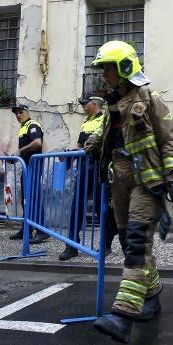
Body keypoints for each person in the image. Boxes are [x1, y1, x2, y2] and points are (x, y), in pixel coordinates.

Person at [89, 41, 173, 344]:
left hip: (147, 182)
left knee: (135, 243)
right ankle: (153, 296)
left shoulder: (150, 98)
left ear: (124, 68)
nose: (104, 74)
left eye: (107, 68)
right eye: (102, 68)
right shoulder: (111, 104)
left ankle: (123, 316)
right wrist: (91, 144)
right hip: (119, 182)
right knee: (131, 241)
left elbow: (169, 141)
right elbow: (104, 133)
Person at [59, 94, 117, 261]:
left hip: (100, 166)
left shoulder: (105, 119)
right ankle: (71, 246)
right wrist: (70, 155)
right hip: (85, 167)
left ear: (94, 103)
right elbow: (79, 146)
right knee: (76, 205)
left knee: (102, 207)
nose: (83, 107)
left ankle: (105, 245)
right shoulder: (85, 123)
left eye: (85, 104)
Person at [10, 104, 48, 244]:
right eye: (16, 114)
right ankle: (26, 229)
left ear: (27, 112)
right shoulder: (23, 127)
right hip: (27, 167)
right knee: (26, 199)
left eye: (21, 112)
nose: (18, 115)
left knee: (33, 199)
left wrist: (20, 151)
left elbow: (38, 143)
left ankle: (42, 231)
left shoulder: (33, 125)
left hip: (33, 167)